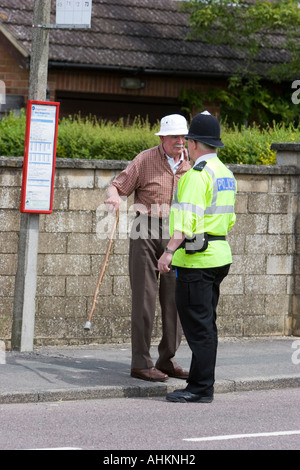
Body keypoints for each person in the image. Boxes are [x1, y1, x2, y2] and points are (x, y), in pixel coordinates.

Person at [158, 111, 237, 402]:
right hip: (218, 256)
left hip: (196, 261)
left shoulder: (196, 175)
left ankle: (200, 388)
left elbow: (185, 224)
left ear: (193, 143)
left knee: (198, 328)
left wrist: (167, 253)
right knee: (206, 325)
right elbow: (228, 221)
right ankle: (200, 383)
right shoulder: (226, 174)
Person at [105, 114, 191, 382]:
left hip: (177, 233)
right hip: (145, 229)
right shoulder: (144, 159)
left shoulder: (193, 163)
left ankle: (167, 360)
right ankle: (141, 363)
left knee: (176, 300)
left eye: (182, 136)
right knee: (144, 299)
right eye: (174, 136)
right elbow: (117, 186)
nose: (180, 141)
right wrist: (113, 198)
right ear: (162, 138)